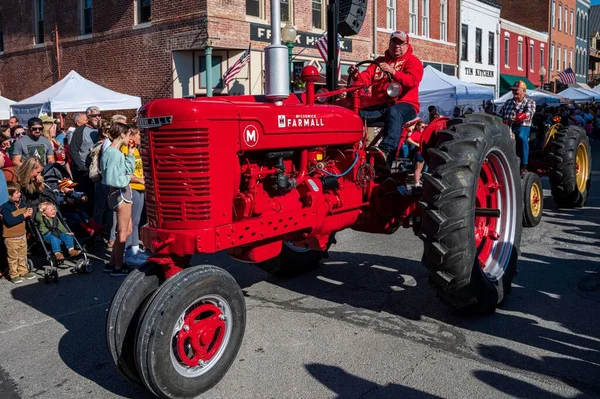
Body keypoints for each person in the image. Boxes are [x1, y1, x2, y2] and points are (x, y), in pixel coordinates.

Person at [348, 30, 424, 166]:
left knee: (394, 112)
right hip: (382, 106)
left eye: (401, 43)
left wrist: (393, 72)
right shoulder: (379, 62)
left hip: (406, 105)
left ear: (407, 45)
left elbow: (412, 81)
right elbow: (365, 78)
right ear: (389, 43)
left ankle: (387, 152)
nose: (397, 46)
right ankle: (347, 150)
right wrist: (355, 75)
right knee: (352, 115)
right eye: (394, 42)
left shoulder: (413, 61)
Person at [101, 122, 135, 276]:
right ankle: (118, 266)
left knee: (126, 230)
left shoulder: (114, 152)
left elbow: (127, 168)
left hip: (119, 193)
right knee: (122, 232)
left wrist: (130, 153)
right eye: (128, 135)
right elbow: (114, 179)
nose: (130, 138)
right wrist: (128, 178)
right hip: (120, 193)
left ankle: (113, 263)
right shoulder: (113, 153)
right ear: (122, 134)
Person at [497, 80, 536, 175]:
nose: (514, 92)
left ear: (523, 91)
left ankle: (524, 165)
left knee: (521, 138)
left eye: (516, 90)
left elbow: (530, 113)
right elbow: (500, 114)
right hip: (507, 126)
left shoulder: (529, 102)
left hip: (522, 126)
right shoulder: (508, 102)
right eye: (513, 90)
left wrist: (520, 116)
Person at [122, 125, 147, 266]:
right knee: (131, 221)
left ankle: (135, 249)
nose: (140, 137)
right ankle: (129, 251)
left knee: (136, 220)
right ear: (131, 135)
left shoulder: (135, 149)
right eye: (137, 135)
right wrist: (138, 179)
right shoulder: (125, 150)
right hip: (133, 186)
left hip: (140, 186)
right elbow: (126, 171)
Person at [1, 181, 35, 284]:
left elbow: (25, 218)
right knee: (13, 258)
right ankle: (14, 274)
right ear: (9, 195)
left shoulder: (21, 204)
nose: (19, 194)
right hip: (11, 238)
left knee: (22, 255)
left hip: (22, 235)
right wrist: (23, 215)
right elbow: (10, 221)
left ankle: (23, 271)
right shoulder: (6, 207)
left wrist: (29, 214)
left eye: (19, 192)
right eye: (16, 192)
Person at [68, 106, 101, 205]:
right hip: (86, 172)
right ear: (88, 117)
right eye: (94, 115)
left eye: (99, 115)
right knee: (87, 199)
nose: (98, 117)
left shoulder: (102, 129)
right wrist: (83, 168)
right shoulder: (80, 131)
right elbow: (73, 150)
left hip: (99, 171)